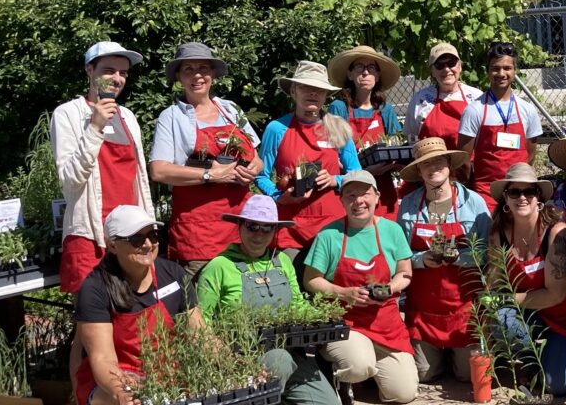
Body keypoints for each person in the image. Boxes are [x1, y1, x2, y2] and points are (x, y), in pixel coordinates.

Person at [51, 41, 153, 405]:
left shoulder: (129, 117)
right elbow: (70, 181)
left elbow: (139, 181)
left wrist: (147, 231)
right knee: (86, 334)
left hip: (129, 238)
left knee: (132, 324)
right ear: (89, 72)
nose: (116, 78)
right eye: (108, 70)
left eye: (123, 72)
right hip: (90, 236)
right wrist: (94, 126)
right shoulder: (69, 114)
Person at [73, 206, 214, 405]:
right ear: (112, 245)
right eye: (136, 239)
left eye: (153, 235)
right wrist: (121, 389)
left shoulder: (173, 274)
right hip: (121, 375)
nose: (148, 244)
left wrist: (232, 364)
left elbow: (200, 334)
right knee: (113, 397)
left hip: (168, 374)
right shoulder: (95, 289)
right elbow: (102, 359)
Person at [197, 195, 341, 405]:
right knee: (278, 360)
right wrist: (223, 358)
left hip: (287, 351)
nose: (259, 234)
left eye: (267, 228)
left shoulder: (282, 261)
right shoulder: (219, 266)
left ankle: (257, 403)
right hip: (241, 356)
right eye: (252, 226)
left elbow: (296, 303)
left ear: (275, 230)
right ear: (240, 226)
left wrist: (323, 317)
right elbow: (201, 321)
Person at [149, 42, 264, 280]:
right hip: (198, 228)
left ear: (213, 74)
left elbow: (257, 157)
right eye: (188, 69)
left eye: (203, 68)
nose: (197, 75)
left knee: (240, 295)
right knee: (200, 301)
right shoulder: (171, 117)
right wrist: (210, 175)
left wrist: (253, 169)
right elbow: (159, 171)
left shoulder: (231, 109)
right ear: (179, 77)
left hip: (240, 223)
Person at [303, 171, 417, 405]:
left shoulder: (391, 230)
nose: (358, 202)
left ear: (376, 196)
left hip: (385, 322)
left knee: (403, 393)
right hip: (346, 321)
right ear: (342, 200)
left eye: (364, 194)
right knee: (358, 366)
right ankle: (342, 371)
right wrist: (344, 293)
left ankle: (365, 370)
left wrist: (389, 288)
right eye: (350, 195)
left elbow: (405, 273)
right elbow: (311, 280)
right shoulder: (329, 235)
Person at [488, 163, 566, 396]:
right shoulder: (499, 235)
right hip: (532, 317)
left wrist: (506, 298)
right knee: (499, 316)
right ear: (505, 198)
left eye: (529, 192)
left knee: (556, 385)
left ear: (539, 197)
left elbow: (556, 295)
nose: (522, 198)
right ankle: (531, 363)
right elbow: (494, 284)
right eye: (515, 192)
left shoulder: (557, 233)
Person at [397, 138, 491, 382]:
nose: (433, 167)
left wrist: (460, 258)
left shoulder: (474, 203)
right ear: (419, 170)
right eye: (426, 163)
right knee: (424, 375)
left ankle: (455, 354)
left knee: (466, 376)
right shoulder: (407, 206)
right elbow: (400, 255)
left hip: (463, 310)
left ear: (450, 164)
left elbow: (489, 253)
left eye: (439, 160)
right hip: (423, 310)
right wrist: (421, 260)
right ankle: (437, 354)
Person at [255, 61, 361, 265]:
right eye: (305, 87)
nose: (312, 93)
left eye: (319, 90)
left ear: (325, 95)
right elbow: (260, 175)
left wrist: (334, 180)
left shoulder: (338, 128)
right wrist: (278, 196)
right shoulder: (277, 129)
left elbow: (356, 173)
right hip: (290, 227)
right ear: (294, 91)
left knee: (329, 291)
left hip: (332, 225)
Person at [458, 42, 542, 212]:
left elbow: (530, 154)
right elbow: (464, 160)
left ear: (515, 70)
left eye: (507, 68)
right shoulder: (474, 110)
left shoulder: (527, 109)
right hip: (485, 193)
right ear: (488, 71)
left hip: (519, 192)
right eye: (496, 68)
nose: (501, 73)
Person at [327, 45, 403, 220]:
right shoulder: (339, 108)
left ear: (378, 75)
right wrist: (364, 171)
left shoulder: (385, 110)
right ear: (350, 74)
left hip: (382, 189)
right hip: (350, 190)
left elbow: (396, 146)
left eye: (371, 68)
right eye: (359, 67)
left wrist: (391, 163)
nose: (365, 73)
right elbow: (332, 154)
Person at [405, 43, 484, 149]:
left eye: (451, 63)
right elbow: (411, 136)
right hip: (432, 163)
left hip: (469, 164)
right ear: (432, 71)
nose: (446, 69)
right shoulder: (420, 99)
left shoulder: (476, 97)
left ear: (460, 67)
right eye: (440, 65)